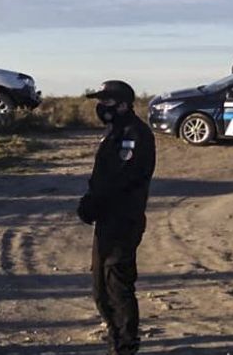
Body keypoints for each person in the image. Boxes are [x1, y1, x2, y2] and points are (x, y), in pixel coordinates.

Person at [77, 80, 156, 355]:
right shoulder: (115, 132)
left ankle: (126, 343)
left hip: (123, 220)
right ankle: (115, 335)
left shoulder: (135, 134)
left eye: (107, 102)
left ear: (123, 104)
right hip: (107, 220)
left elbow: (120, 179)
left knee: (117, 283)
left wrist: (93, 203)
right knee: (100, 286)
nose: (102, 107)